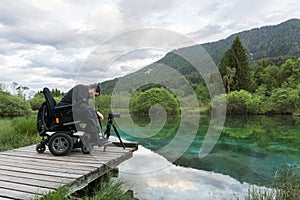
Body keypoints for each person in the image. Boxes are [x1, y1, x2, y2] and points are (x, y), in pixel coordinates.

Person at [56, 83, 104, 148]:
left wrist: (95, 112)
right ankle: (95, 136)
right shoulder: (82, 88)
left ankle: (95, 135)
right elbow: (82, 105)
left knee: (89, 111)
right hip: (64, 111)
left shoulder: (84, 92)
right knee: (88, 111)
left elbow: (82, 105)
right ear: (93, 89)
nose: (93, 97)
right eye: (95, 95)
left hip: (69, 110)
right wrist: (96, 112)